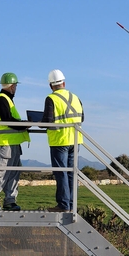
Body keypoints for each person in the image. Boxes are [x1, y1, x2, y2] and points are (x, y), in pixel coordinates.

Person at [0, 72, 30, 211]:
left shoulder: (7, 100)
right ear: (11, 86)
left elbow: (10, 119)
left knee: (14, 171)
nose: (15, 89)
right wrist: (23, 124)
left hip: (12, 143)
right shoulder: (2, 99)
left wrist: (23, 124)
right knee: (1, 171)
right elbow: (7, 120)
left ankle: (10, 200)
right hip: (4, 143)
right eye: (15, 86)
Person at [41, 69, 84, 212]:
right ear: (64, 83)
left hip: (59, 141)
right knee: (72, 172)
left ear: (50, 86)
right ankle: (72, 205)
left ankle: (63, 205)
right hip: (76, 140)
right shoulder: (76, 97)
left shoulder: (51, 98)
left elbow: (47, 121)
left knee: (61, 173)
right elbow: (82, 118)